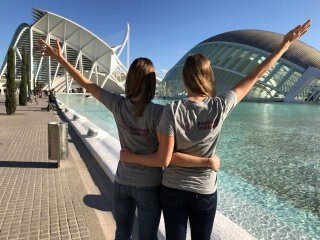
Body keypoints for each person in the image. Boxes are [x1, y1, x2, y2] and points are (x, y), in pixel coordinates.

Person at [120, 20, 311, 240]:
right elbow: (254, 76)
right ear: (209, 77)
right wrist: (284, 46)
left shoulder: (172, 110)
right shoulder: (220, 106)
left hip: (172, 189)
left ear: (185, 79)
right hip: (204, 191)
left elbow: (167, 158)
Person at [37, 39, 221, 240]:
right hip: (149, 185)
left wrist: (61, 58)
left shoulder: (117, 105)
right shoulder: (160, 113)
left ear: (130, 80)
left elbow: (87, 84)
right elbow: (169, 154)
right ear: (151, 84)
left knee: (122, 232)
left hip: (123, 180)